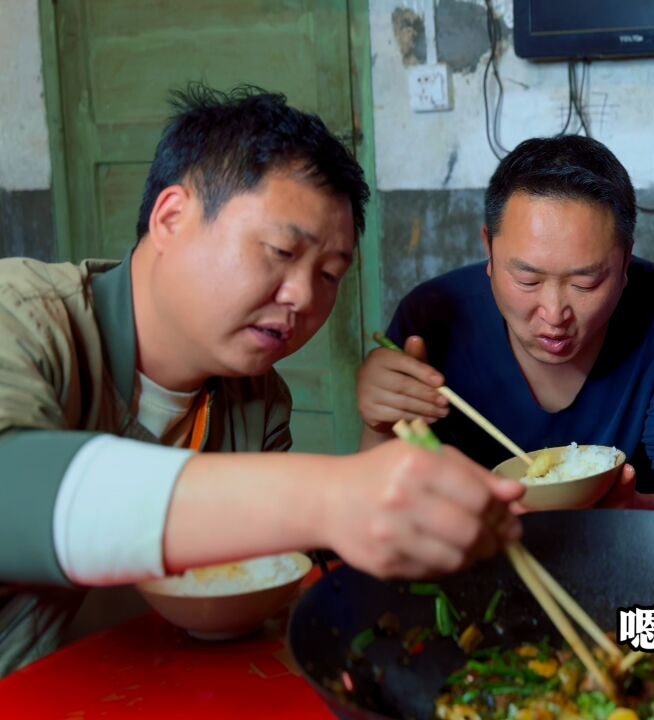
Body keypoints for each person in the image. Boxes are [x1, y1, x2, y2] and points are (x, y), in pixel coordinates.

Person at [0, 85, 522, 676]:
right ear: (171, 217)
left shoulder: (257, 398)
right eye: (279, 250)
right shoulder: (22, 315)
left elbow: (258, 585)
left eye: (329, 273)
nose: (303, 296)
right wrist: (331, 496)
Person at [357, 135, 654, 512]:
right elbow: (381, 503)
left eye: (585, 283)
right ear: (490, 249)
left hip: (618, 548)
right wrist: (379, 425)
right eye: (527, 280)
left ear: (626, 261)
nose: (553, 313)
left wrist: (626, 510)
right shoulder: (432, 316)